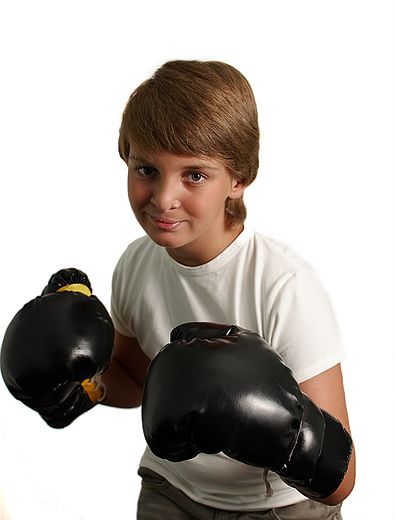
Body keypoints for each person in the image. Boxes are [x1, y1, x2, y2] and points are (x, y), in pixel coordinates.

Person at [100, 60, 356, 519]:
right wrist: (82, 383)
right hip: (171, 490)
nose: (162, 198)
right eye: (146, 169)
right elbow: (133, 379)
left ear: (237, 179)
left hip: (279, 507)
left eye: (194, 175)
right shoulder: (136, 264)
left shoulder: (284, 287)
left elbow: (341, 480)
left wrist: (267, 419)